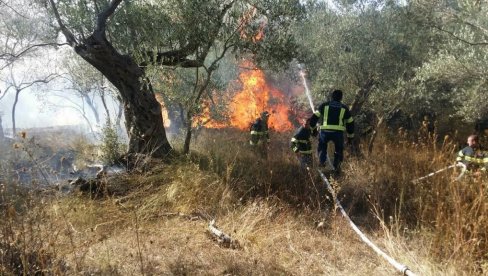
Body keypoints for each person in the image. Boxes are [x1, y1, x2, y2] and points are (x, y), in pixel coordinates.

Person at [309, 89, 354, 174]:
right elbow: (350, 123)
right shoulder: (344, 108)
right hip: (338, 133)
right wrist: (350, 138)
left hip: (325, 132)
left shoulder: (324, 105)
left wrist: (313, 131)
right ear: (341, 98)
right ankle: (337, 168)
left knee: (322, 147)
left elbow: (313, 119)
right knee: (339, 150)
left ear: (332, 96)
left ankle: (322, 163)